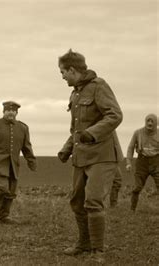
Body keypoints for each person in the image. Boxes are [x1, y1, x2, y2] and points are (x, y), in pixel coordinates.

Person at [57, 49, 123, 261]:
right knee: (77, 201)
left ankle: (98, 250)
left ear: (72, 69)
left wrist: (92, 134)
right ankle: (84, 244)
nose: (62, 76)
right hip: (82, 156)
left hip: (102, 155)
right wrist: (67, 148)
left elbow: (115, 115)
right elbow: (77, 129)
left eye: (63, 72)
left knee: (93, 200)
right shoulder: (76, 92)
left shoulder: (98, 86)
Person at [126, 113, 159, 211]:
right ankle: (132, 209)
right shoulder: (138, 133)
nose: (149, 123)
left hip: (156, 162)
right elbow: (130, 147)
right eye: (148, 121)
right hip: (142, 162)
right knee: (137, 187)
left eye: (152, 121)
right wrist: (128, 162)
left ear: (156, 123)